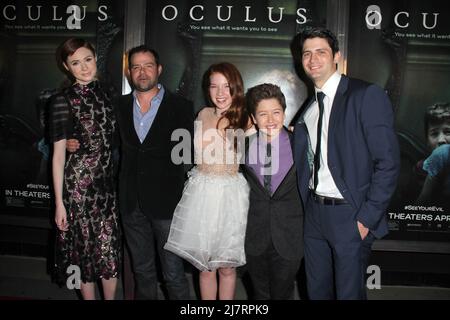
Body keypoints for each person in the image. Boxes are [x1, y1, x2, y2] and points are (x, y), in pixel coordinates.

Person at [67, 45, 193, 300]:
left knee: (173, 273)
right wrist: (74, 141)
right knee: (142, 271)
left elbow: (186, 158)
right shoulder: (119, 106)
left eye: (148, 65)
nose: (142, 72)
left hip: (167, 205)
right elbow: (104, 142)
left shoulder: (181, 106)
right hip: (130, 203)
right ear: (129, 72)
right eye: (136, 67)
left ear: (159, 69)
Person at [293, 27, 400, 300]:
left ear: (336, 56)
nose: (313, 59)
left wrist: (366, 218)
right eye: (307, 54)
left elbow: (387, 163)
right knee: (316, 292)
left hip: (349, 215)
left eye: (321, 52)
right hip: (314, 213)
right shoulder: (310, 106)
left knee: (348, 295)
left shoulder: (365, 95)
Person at [164, 62, 251, 300]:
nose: (220, 93)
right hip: (201, 192)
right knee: (205, 266)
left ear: (236, 88)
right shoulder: (202, 114)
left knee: (227, 266)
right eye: (214, 86)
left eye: (226, 86)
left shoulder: (245, 117)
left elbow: (272, 135)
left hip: (229, 195)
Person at [49, 38, 121, 300]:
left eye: (87, 59)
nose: (83, 68)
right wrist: (60, 202)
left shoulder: (109, 95)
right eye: (75, 63)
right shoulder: (61, 101)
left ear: (95, 58)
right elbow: (57, 156)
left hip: (107, 187)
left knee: (108, 250)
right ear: (67, 68)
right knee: (83, 252)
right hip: (77, 187)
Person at [242, 83, 304, 300]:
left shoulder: (302, 143)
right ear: (253, 117)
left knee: (283, 294)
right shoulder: (243, 146)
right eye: (263, 114)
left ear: (285, 113)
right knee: (259, 294)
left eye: (276, 112)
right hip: (254, 236)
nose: (270, 120)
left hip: (290, 235)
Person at [415, 103, 450, 205]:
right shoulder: (420, 169)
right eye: (434, 134)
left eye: (448, 132)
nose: (441, 140)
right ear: (427, 141)